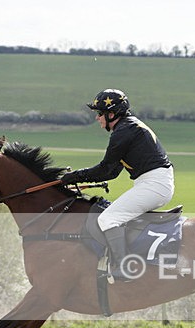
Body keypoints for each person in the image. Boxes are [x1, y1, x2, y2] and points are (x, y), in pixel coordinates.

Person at [60, 89, 174, 280]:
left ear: (111, 114)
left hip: (154, 185)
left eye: (100, 113)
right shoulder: (128, 128)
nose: (97, 118)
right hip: (153, 183)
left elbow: (105, 169)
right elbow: (112, 172)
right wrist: (78, 178)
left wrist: (73, 177)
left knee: (108, 219)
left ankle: (123, 267)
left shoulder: (123, 132)